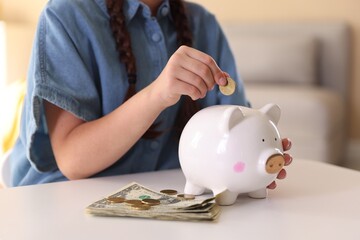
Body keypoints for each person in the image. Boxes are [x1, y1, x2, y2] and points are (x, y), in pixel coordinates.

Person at [10, 0, 292, 187]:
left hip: (160, 199)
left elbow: (231, 127)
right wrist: (158, 94)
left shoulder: (203, 24)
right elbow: (72, 161)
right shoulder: (67, 15)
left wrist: (254, 153)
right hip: (60, 200)